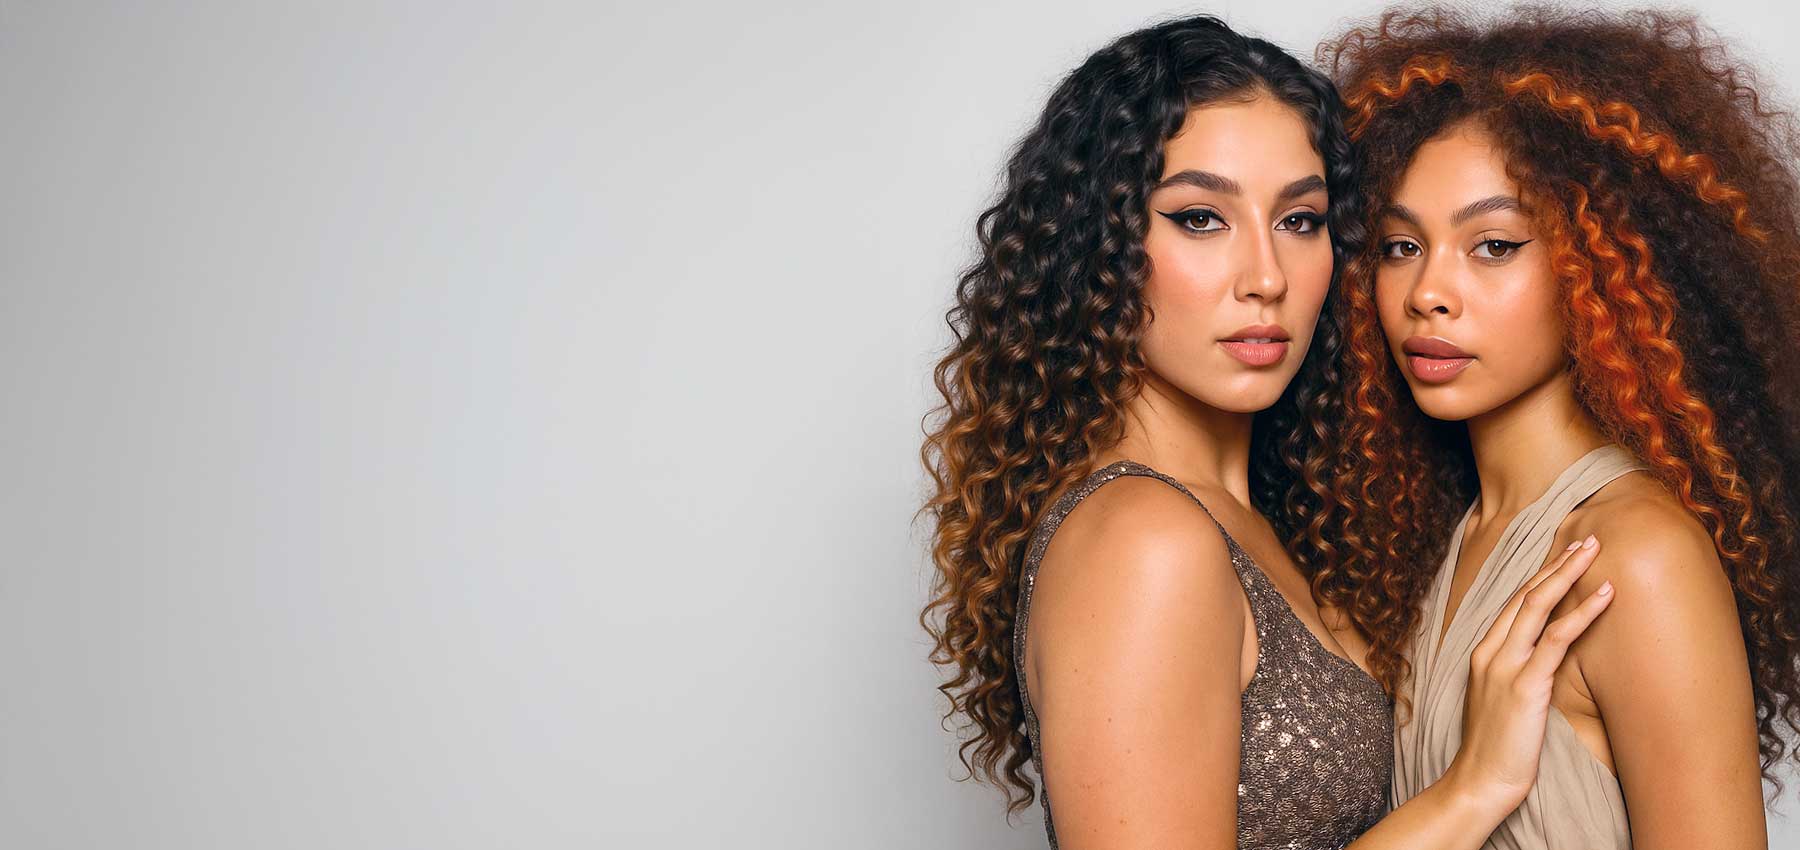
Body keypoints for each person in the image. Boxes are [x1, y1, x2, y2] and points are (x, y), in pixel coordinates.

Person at [920, 15, 1614, 848]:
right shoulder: (1142, 540)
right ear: (1098, 248)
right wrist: (1471, 790)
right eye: (1200, 219)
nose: (1265, 277)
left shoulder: (1274, 524)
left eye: (1300, 221)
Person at [1300, 7, 1800, 848]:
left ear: (1599, 262)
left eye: (1493, 245)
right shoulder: (1434, 547)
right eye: (1398, 246)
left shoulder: (1637, 559)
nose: (1430, 292)